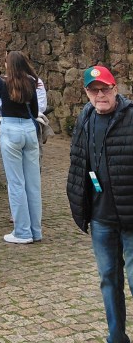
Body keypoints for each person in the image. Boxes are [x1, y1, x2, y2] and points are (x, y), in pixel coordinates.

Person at [67, 64, 133, 343]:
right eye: (94, 90)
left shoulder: (131, 117)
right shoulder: (85, 118)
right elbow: (77, 162)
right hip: (101, 216)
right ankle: (116, 337)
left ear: (115, 88)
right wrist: (79, 204)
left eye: (105, 89)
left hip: (131, 217)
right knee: (108, 279)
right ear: (86, 93)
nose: (100, 95)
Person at [0, 51, 43, 244]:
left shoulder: (1, 82)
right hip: (29, 129)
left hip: (11, 128)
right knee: (33, 183)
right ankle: (36, 231)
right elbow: (36, 110)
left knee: (16, 183)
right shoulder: (31, 82)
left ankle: (22, 231)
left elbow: (2, 103)